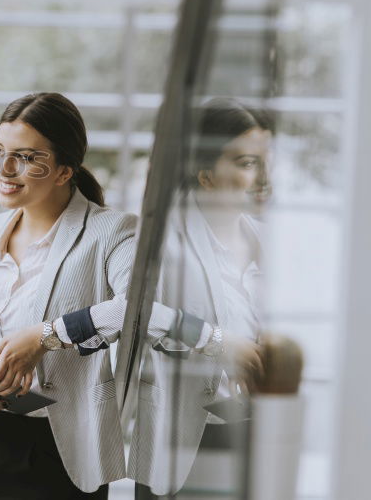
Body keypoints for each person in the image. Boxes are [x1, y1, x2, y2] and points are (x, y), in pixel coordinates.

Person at [0, 92, 137, 499]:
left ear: (63, 171)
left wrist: (44, 337)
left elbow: (138, 310)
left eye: (24, 156)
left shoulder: (113, 232)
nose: (4, 169)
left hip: (58, 460)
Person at [130, 98, 272, 498]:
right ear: (205, 174)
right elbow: (139, 316)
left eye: (267, 160)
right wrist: (221, 343)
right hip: (182, 448)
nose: (265, 177)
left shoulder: (271, 243)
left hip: (252, 438)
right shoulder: (159, 241)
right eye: (247, 163)